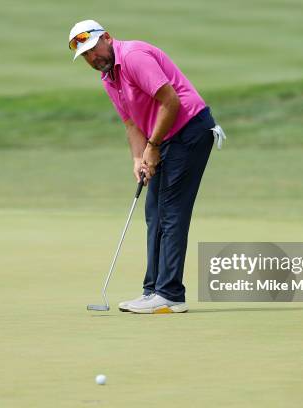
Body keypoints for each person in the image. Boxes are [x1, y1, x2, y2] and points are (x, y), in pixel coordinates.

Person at [69, 20, 225, 314]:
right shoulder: (109, 79)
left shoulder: (133, 57)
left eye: (93, 49)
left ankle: (170, 294)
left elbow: (170, 101)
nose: (93, 58)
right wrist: (138, 159)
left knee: (170, 211)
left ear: (108, 38)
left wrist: (153, 147)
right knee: (154, 211)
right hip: (163, 137)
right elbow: (131, 123)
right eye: (86, 55)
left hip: (189, 131)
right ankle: (153, 291)